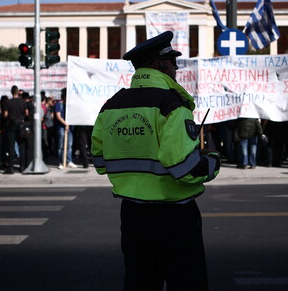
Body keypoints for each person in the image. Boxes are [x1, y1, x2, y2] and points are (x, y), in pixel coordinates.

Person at [91, 31, 220, 290]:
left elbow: (100, 161)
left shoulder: (111, 105)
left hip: (133, 215)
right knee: (187, 283)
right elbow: (183, 167)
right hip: (174, 214)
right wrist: (212, 162)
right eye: (174, 63)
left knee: (140, 282)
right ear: (159, 64)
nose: (176, 69)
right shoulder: (171, 103)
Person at [2, 85, 29, 173]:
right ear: (18, 92)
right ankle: (22, 166)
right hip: (21, 124)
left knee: (11, 146)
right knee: (22, 146)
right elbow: (27, 113)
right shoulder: (23, 102)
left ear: (11, 92)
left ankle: (11, 167)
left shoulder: (7, 102)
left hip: (11, 125)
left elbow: (5, 115)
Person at [55, 88, 75, 169]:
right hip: (61, 127)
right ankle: (61, 161)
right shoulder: (58, 104)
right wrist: (65, 123)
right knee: (61, 145)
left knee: (69, 145)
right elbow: (58, 116)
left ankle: (69, 160)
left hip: (69, 127)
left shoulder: (69, 105)